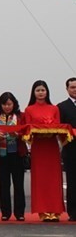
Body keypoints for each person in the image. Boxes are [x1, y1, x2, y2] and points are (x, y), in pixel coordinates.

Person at [24, 80, 64, 222]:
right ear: (33, 93)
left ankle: (55, 211)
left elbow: (59, 127)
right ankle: (44, 212)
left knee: (54, 180)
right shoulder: (29, 110)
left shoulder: (54, 109)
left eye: (43, 90)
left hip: (51, 147)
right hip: (39, 148)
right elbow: (27, 131)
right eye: (38, 90)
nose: (41, 93)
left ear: (47, 92)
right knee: (41, 180)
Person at [0, 91, 27, 221]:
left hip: (17, 154)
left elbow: (27, 133)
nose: (7, 107)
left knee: (19, 184)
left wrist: (18, 135)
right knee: (4, 184)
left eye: (9, 104)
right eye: (4, 104)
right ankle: (5, 212)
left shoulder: (21, 116)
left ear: (14, 104)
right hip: (2, 155)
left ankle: (20, 213)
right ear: (0, 105)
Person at [58, 77, 76, 222]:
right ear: (67, 89)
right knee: (72, 182)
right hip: (71, 149)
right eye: (72, 87)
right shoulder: (62, 107)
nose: (75, 89)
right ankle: (73, 212)